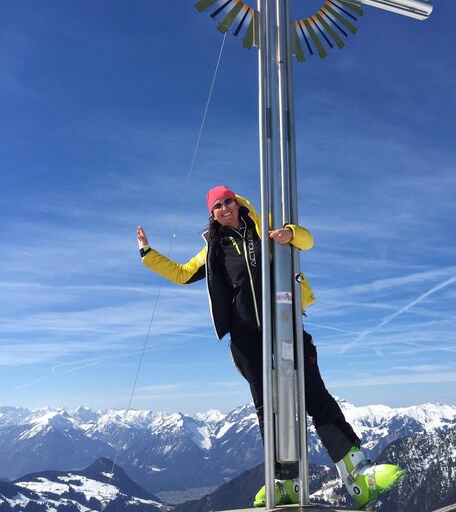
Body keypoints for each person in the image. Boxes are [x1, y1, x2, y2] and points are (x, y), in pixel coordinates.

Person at [137, 185, 405, 509]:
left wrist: (291, 234)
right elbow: (181, 274)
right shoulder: (214, 250)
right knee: (268, 408)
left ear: (237, 202)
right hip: (246, 339)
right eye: (217, 206)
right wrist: (147, 253)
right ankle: (285, 482)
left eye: (227, 201)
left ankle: (357, 475)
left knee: (315, 395)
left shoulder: (265, 225)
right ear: (212, 214)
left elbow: (308, 240)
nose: (224, 208)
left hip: (284, 324)